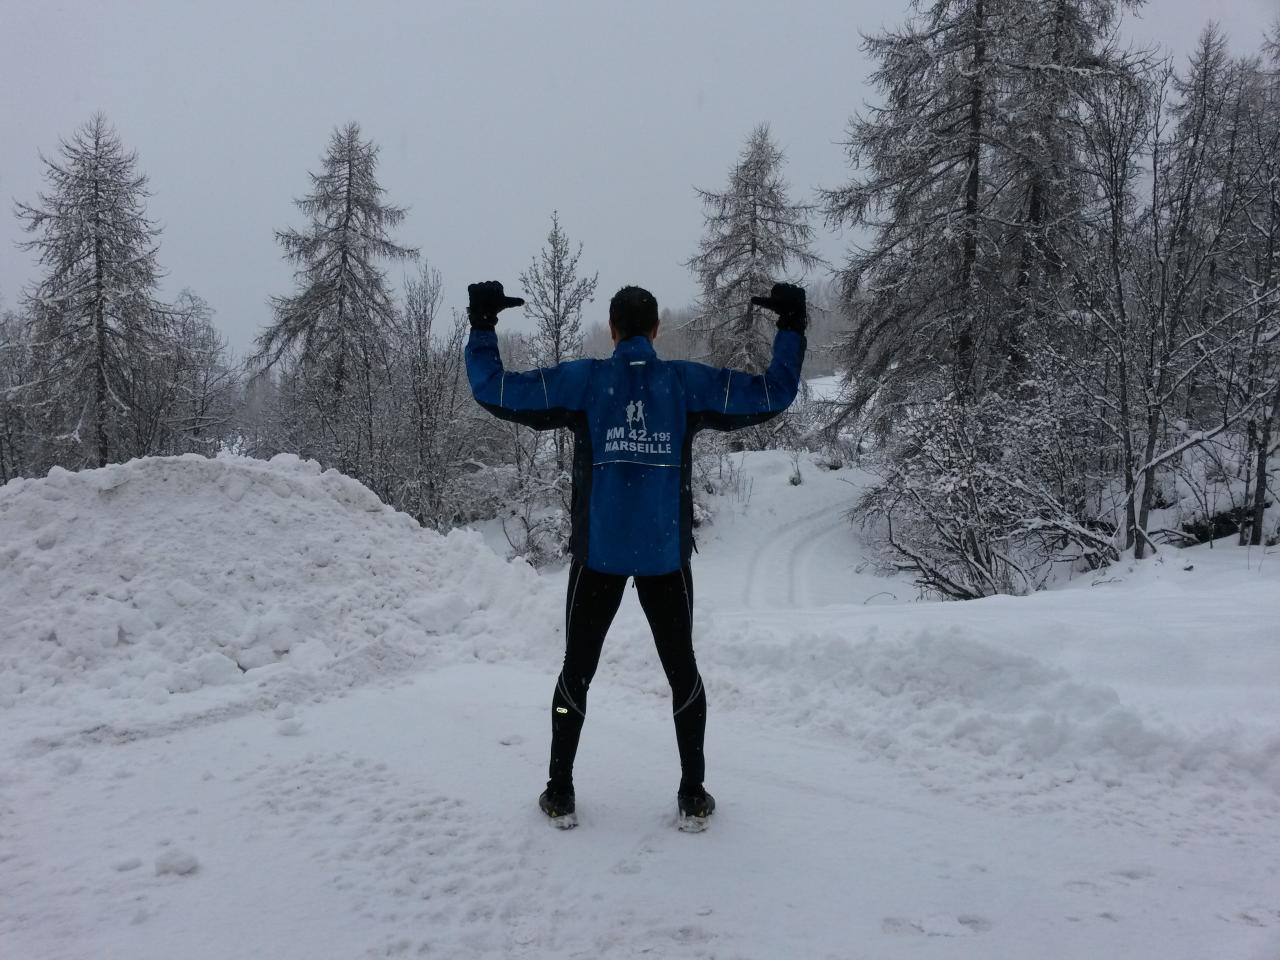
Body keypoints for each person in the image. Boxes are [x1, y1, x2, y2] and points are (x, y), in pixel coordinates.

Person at [464, 281, 806, 830]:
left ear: (613, 330)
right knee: (683, 675)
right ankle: (692, 796)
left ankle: (560, 792)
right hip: (664, 558)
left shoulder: (584, 381)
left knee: (576, 674)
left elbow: (496, 389)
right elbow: (773, 392)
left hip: (598, 557)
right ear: (656, 330)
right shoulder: (684, 383)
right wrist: (790, 326)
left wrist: (483, 325)